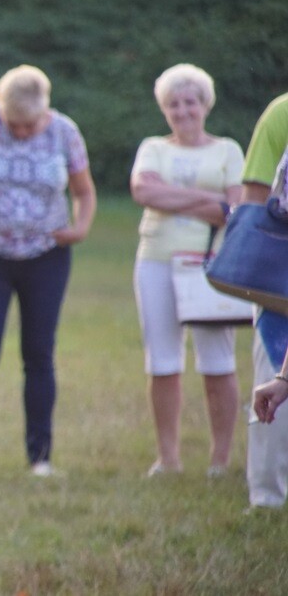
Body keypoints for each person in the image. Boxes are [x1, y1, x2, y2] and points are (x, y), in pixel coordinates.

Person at [0, 65, 96, 476]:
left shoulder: (64, 131)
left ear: (45, 110)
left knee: (39, 353)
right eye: (14, 123)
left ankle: (40, 457)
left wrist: (79, 228)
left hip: (46, 256)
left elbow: (83, 190)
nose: (22, 132)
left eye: (30, 124)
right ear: (0, 109)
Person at [130, 63, 243, 478]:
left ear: (205, 105)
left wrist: (172, 197)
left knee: (217, 360)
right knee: (162, 360)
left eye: (190, 102)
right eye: (173, 104)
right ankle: (168, 456)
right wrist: (205, 199)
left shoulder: (227, 150)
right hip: (156, 260)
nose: (183, 111)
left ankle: (220, 458)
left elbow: (234, 208)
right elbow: (143, 191)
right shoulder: (153, 148)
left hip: (211, 264)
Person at [239, 92, 288, 507]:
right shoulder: (282, 112)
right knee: (275, 367)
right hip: (279, 268)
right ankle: (268, 492)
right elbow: (255, 199)